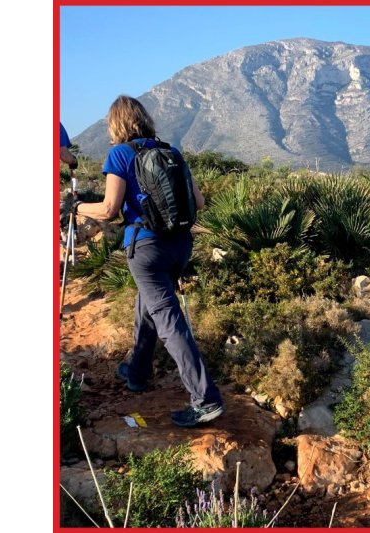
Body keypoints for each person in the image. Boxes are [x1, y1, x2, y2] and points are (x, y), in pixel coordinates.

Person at [73, 95, 224, 428]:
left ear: (116, 124)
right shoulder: (172, 152)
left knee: (168, 320)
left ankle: (205, 399)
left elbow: (109, 210)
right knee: (148, 306)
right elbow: (198, 202)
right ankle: (136, 371)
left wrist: (76, 209)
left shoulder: (120, 154)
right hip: (180, 246)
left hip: (146, 249)